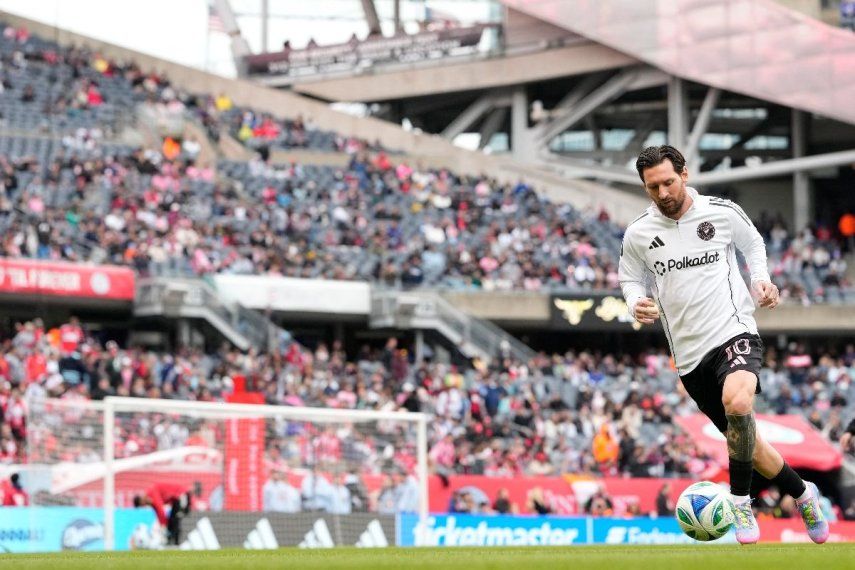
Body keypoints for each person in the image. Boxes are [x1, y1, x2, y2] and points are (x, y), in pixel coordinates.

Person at [618, 145, 828, 545]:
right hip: (689, 355)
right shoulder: (639, 234)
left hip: (733, 329)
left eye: (667, 182)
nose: (662, 192)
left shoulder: (722, 212)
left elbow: (753, 245)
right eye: (652, 187)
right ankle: (804, 494)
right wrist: (634, 301)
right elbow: (629, 276)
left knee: (739, 401)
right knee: (753, 446)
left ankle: (739, 500)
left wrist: (760, 280)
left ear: (684, 173)